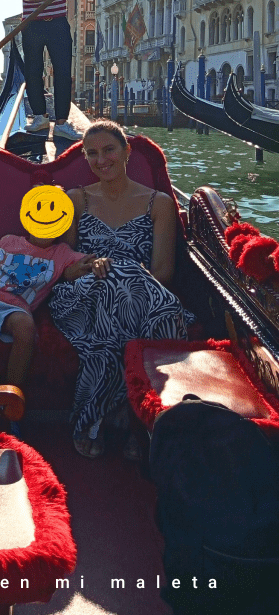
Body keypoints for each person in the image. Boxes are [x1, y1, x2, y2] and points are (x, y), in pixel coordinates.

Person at [49, 120, 188, 459]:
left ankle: (95, 416)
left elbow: (163, 273)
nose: (101, 160)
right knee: (114, 281)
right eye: (92, 154)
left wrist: (121, 273)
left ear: (127, 151)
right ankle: (135, 417)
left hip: (141, 296)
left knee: (121, 281)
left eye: (109, 150)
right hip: (80, 296)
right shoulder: (77, 200)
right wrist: (88, 267)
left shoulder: (159, 204)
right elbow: (67, 265)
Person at [0, 202, 108, 404]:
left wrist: (98, 263)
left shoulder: (62, 253)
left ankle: (11, 398)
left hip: (15, 305)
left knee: (26, 326)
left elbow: (89, 262)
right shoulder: (8, 241)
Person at [15, 0, 108, 141]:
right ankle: (39, 117)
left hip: (57, 22)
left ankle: (63, 122)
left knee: (63, 72)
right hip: (33, 23)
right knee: (33, 71)